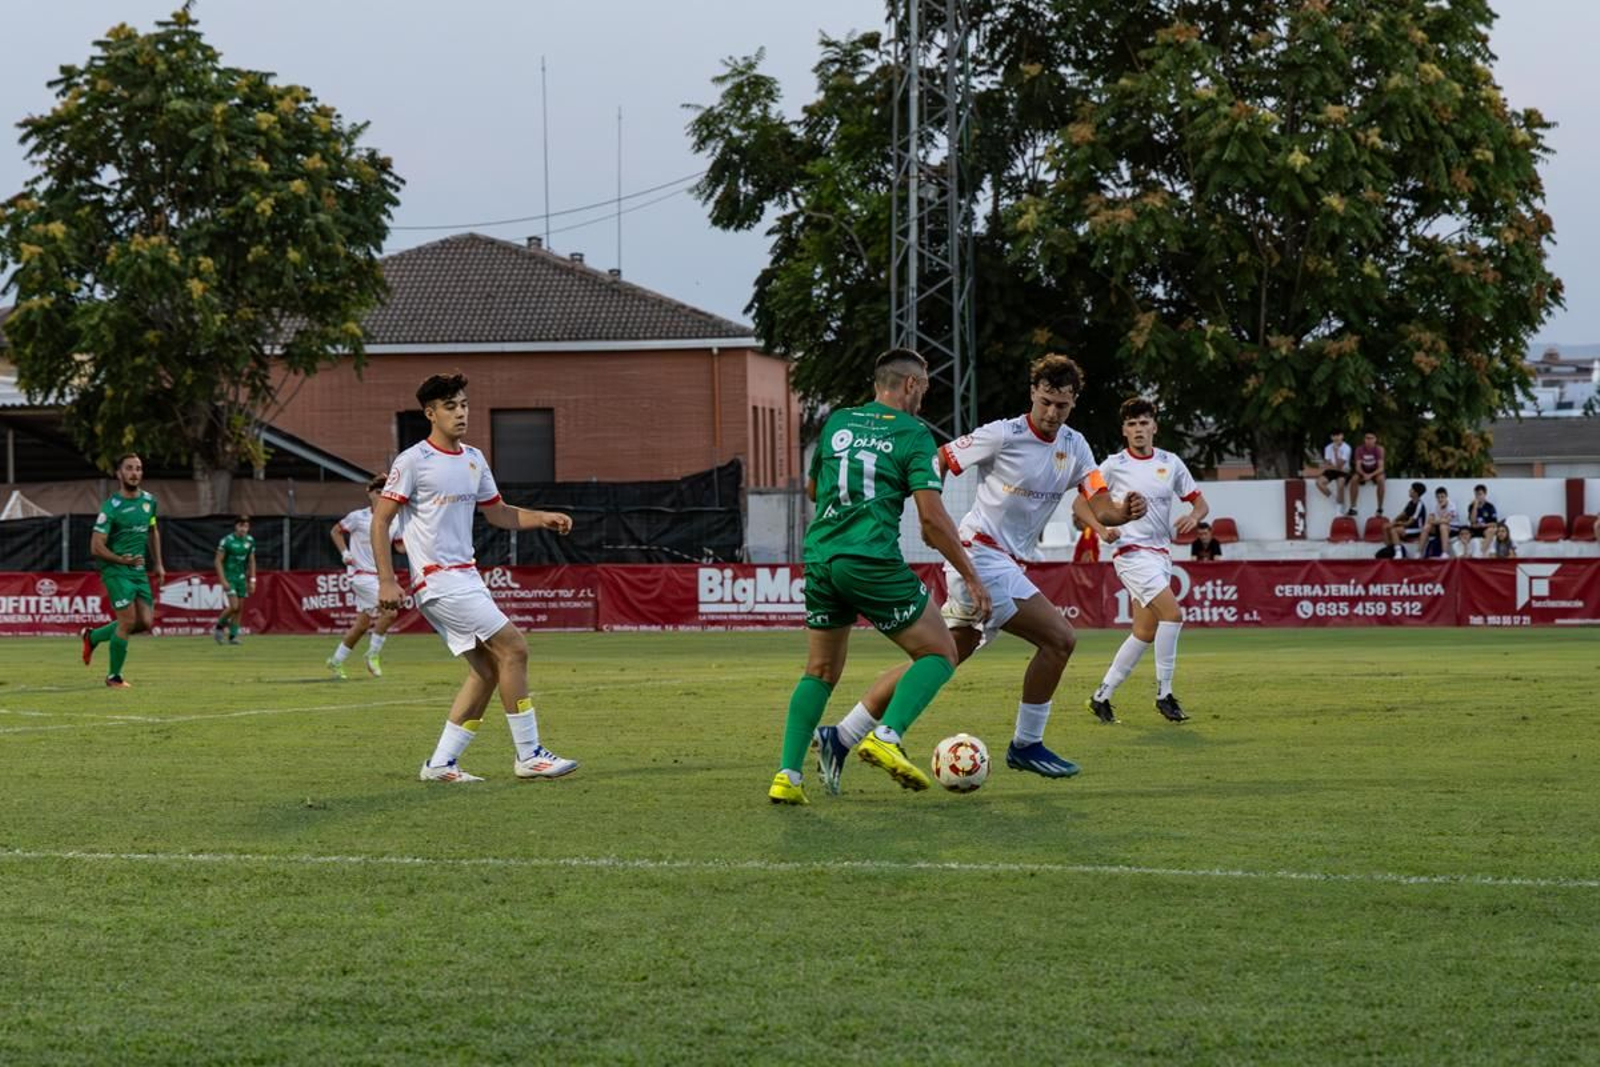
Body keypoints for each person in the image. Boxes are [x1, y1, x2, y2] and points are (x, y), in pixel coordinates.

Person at [810, 354, 1145, 794]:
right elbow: (940, 460)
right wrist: (932, 512)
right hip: (979, 555)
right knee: (1059, 638)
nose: (1051, 413)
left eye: (1061, 406)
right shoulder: (1001, 434)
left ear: (1073, 403)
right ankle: (1025, 744)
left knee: (945, 653)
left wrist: (1121, 511)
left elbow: (1099, 503)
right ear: (1032, 394)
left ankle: (843, 735)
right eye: (1045, 401)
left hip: (1001, 562)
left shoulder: (1076, 447)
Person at [768, 348, 992, 806]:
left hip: (821, 557)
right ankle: (887, 735)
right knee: (940, 650)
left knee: (820, 670)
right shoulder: (914, 434)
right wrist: (971, 575)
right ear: (910, 385)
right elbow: (931, 522)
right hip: (869, 558)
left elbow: (814, 488)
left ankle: (788, 775)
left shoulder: (838, 422)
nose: (924, 399)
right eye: (924, 389)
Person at [372, 372, 578, 783]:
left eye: (464, 404)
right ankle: (529, 754)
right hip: (439, 580)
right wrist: (386, 580)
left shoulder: (474, 459)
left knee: (487, 671)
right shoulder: (413, 461)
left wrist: (542, 518)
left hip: (466, 578)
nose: (461, 412)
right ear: (430, 413)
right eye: (450, 406)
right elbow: (380, 521)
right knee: (515, 648)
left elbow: (498, 512)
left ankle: (440, 764)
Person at [1085, 398, 1208, 724]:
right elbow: (1080, 505)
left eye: (1143, 423)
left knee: (1144, 631)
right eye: (1132, 424)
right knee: (1173, 614)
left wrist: (1194, 516)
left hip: (1161, 555)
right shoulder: (1113, 465)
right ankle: (1164, 694)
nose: (1138, 429)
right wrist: (1102, 528)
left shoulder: (1171, 463)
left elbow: (1200, 503)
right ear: (1124, 430)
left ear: (1154, 426)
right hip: (1130, 553)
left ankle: (1101, 696)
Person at [79, 453, 166, 688]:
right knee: (126, 621)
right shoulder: (111, 507)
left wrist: (158, 563)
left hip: (137, 569)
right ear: (119, 473)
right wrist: (120, 559)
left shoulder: (150, 501)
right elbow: (96, 546)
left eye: (138, 468)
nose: (134, 473)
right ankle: (113, 677)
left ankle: (93, 636)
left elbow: (152, 530)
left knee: (145, 623)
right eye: (129, 468)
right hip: (115, 569)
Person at [327, 475, 403, 678]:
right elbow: (336, 531)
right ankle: (373, 654)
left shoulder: (393, 521)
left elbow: (400, 547)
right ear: (369, 493)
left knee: (361, 625)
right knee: (391, 612)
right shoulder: (358, 517)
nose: (381, 496)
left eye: (384, 492)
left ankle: (336, 661)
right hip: (361, 575)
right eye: (377, 492)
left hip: (382, 577)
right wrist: (345, 553)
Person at [212, 515, 256, 645]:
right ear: (235, 526)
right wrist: (223, 580)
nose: (243, 529)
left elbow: (252, 561)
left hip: (241, 578)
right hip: (229, 577)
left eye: (246, 526)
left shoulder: (250, 541)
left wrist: (252, 580)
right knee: (234, 606)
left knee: (240, 608)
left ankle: (233, 636)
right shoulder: (227, 541)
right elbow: (217, 561)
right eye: (240, 526)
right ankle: (219, 627)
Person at [1378, 482, 1429, 558]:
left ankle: (1399, 553)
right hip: (1408, 527)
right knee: (1386, 527)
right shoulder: (1410, 503)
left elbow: (1409, 523)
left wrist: (1396, 524)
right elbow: (1403, 514)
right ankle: (1390, 549)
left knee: (1394, 530)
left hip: (1417, 529)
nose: (1409, 491)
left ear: (1416, 493)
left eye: (1411, 489)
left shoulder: (1419, 505)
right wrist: (1393, 522)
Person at [1347, 432, 1387, 516]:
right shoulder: (1359, 449)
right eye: (1367, 438)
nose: (1369, 440)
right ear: (1364, 439)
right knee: (1354, 479)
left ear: (1375, 439)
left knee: (1381, 480)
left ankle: (1380, 508)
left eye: (1371, 438)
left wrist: (1370, 475)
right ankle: (1353, 507)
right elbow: (1358, 466)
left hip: (1375, 471)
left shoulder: (1379, 449)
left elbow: (1381, 467)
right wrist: (1364, 474)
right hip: (1363, 471)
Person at [1457, 484, 1498, 557]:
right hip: (1475, 530)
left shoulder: (1490, 507)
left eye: (1480, 494)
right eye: (1476, 494)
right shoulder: (1471, 506)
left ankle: (1481, 552)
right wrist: (1475, 506)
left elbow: (1494, 523)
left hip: (1486, 530)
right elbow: (1472, 521)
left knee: (1491, 530)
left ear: (1485, 494)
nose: (1478, 497)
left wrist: (1483, 525)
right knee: (1475, 538)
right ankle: (1480, 554)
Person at [1315, 430, 1352, 510]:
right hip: (1335, 470)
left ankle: (1341, 506)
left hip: (1343, 472)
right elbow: (1328, 463)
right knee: (1319, 483)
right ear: (1331, 437)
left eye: (1338, 435)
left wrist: (1336, 452)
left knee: (1340, 484)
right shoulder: (1328, 448)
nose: (1336, 438)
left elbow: (1339, 465)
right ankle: (1334, 500)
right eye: (1334, 436)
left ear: (1342, 436)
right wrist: (1329, 466)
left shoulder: (1347, 448)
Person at [1423, 486, 1458, 559]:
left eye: (1442, 497)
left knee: (1443, 526)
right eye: (1438, 497)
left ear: (1446, 497)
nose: (1440, 499)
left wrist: (1435, 521)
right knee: (1427, 526)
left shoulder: (1452, 505)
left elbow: (1447, 520)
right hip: (1438, 526)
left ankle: (1445, 553)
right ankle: (1419, 552)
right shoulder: (1435, 505)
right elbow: (1429, 520)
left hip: (1452, 527)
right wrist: (1439, 511)